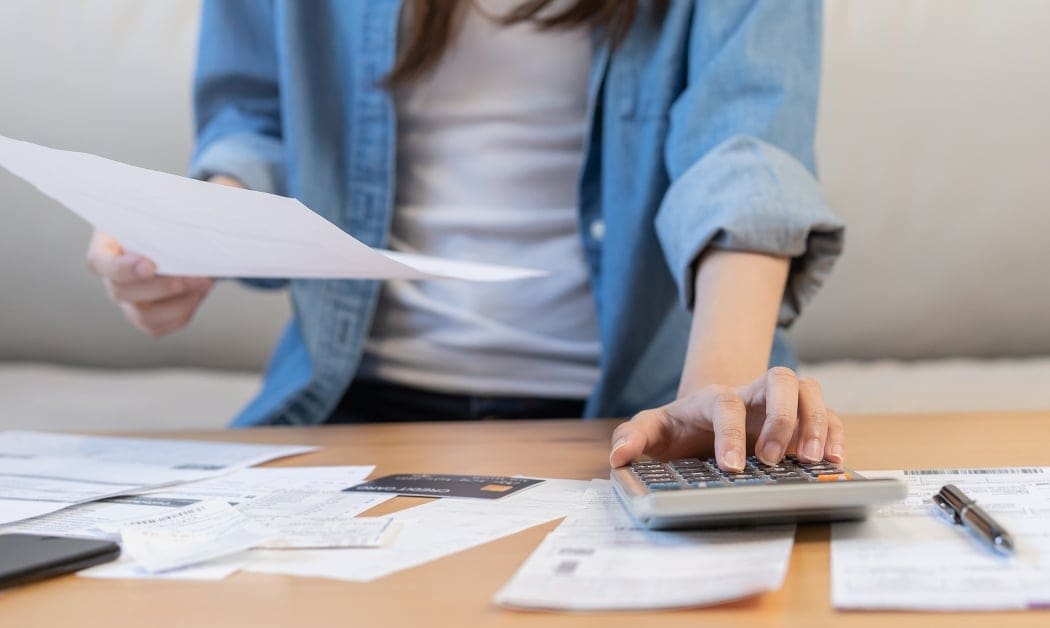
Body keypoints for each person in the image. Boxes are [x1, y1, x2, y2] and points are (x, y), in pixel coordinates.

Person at [86, 0, 845, 473]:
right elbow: (258, 120)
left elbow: (744, 153)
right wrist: (195, 236)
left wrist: (710, 395)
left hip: (632, 414)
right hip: (354, 409)